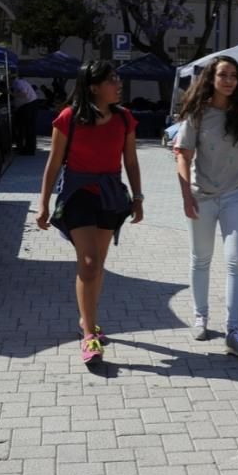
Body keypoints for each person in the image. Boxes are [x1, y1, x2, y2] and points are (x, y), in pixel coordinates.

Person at [36, 61, 144, 364]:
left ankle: (87, 319)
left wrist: (138, 197)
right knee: (89, 261)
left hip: (110, 194)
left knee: (98, 265)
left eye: (117, 78)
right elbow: (54, 163)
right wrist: (43, 203)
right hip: (78, 194)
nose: (118, 83)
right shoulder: (68, 118)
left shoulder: (124, 119)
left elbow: (132, 162)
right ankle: (90, 335)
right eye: (112, 79)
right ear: (93, 86)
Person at [174, 56, 238, 357]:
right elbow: (183, 155)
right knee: (201, 259)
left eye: (233, 76)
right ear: (211, 79)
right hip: (201, 196)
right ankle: (200, 316)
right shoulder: (198, 115)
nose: (229, 81)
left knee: (236, 260)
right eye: (223, 75)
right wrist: (186, 195)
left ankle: (234, 331)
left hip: (235, 196)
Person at [10, 70, 41, 156]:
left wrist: (12, 94)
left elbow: (24, 94)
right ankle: (28, 148)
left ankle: (29, 150)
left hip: (29, 105)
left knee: (29, 128)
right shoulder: (20, 82)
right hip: (29, 105)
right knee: (28, 128)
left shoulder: (18, 83)